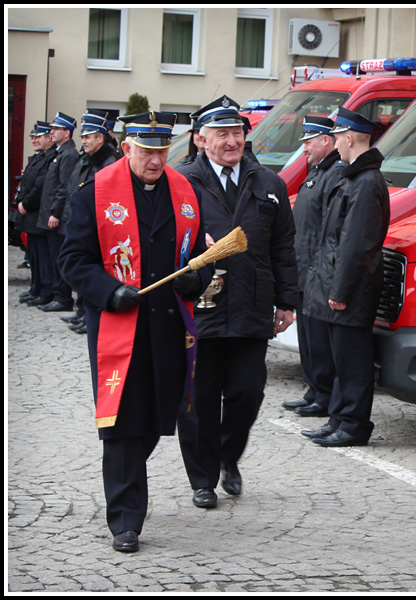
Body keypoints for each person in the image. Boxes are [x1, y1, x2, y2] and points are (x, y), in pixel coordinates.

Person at [58, 111, 211, 553]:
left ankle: (124, 477)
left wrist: (194, 280)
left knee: (158, 417)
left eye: (163, 151)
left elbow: (203, 256)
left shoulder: (187, 193)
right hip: (118, 328)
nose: (156, 160)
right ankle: (126, 521)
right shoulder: (95, 194)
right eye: (146, 151)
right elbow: (74, 261)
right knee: (123, 423)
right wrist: (109, 292)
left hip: (167, 328)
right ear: (127, 148)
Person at [176, 95, 298, 509]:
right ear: (200, 139)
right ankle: (203, 477)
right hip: (199, 310)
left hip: (251, 304)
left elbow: (283, 245)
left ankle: (229, 457)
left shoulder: (269, 183)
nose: (232, 142)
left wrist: (287, 299)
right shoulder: (182, 182)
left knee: (248, 391)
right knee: (199, 397)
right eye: (222, 134)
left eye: (238, 134)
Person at [303, 107, 389, 448]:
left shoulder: (366, 182)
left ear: (350, 138)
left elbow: (356, 243)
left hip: (352, 289)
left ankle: (353, 424)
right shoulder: (355, 178)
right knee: (341, 359)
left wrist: (340, 290)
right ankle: (338, 418)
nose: (336, 144)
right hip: (339, 283)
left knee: (353, 362)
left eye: (338, 138)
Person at [281, 117, 344, 421]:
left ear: (327, 141)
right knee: (306, 335)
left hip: (318, 268)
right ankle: (314, 390)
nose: (304, 147)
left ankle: (324, 393)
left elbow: (329, 227)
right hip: (304, 266)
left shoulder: (335, 173)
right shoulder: (318, 171)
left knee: (319, 338)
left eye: (310, 141)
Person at [61, 108, 123, 334]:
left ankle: (89, 315)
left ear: (101, 137)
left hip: (100, 226)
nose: (84, 141)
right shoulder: (88, 159)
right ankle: (83, 313)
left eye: (88, 136)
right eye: (83, 137)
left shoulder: (108, 161)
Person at [37, 111, 79, 312]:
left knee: (58, 258)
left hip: (58, 218)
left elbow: (64, 187)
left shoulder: (69, 154)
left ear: (67, 132)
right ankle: (57, 294)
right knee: (53, 257)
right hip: (51, 215)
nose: (51, 132)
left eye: (56, 129)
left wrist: (55, 213)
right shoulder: (60, 152)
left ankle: (62, 297)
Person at [16, 121, 56, 308]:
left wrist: (26, 202)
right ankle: (36, 288)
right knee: (33, 255)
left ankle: (45, 290)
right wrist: (20, 201)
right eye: (32, 137)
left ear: (49, 138)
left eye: (38, 136)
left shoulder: (50, 157)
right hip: (31, 214)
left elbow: (40, 186)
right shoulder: (38, 157)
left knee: (43, 256)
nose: (33, 140)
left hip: (38, 211)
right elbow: (27, 181)